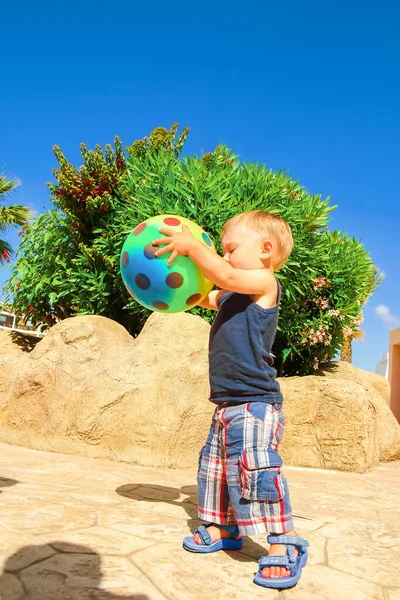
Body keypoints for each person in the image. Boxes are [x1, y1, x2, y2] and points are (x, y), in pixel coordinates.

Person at [153, 210, 309, 590]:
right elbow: (201, 293)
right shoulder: (231, 293)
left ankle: (281, 543)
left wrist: (193, 248)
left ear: (265, 250)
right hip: (227, 403)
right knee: (216, 468)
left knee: (256, 470)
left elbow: (225, 276)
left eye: (230, 249)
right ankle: (224, 525)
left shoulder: (262, 281)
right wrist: (167, 283)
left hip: (257, 402)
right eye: (221, 252)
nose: (223, 258)